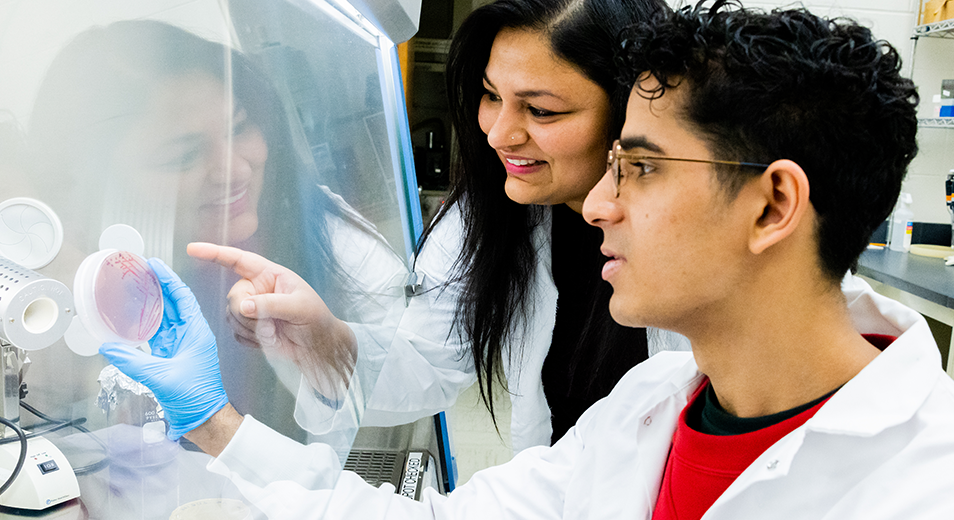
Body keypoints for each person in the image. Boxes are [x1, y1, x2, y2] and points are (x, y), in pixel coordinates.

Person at [103, 1, 954, 517]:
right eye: (489, 98)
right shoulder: (638, 423)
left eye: (635, 165)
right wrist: (219, 419)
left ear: (772, 205)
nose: (597, 205)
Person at [190, 0, 689, 454]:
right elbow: (429, 360)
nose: (498, 134)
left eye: (541, 110)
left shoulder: (696, 240)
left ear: (631, 109)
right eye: (492, 95)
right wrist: (326, 340)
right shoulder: (496, 209)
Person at [26, 20, 406, 434]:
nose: (235, 169)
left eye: (239, 128)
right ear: (93, 186)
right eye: (182, 155)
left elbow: (402, 388)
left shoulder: (325, 233)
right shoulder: (70, 284)